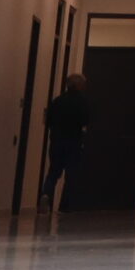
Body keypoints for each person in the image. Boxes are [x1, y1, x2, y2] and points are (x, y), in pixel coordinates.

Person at [40, 74, 89, 213]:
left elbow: (48, 121)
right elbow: (86, 121)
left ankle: (46, 194)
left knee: (53, 171)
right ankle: (64, 206)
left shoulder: (57, 101)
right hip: (74, 142)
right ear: (79, 85)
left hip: (56, 140)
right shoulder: (83, 102)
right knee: (71, 174)